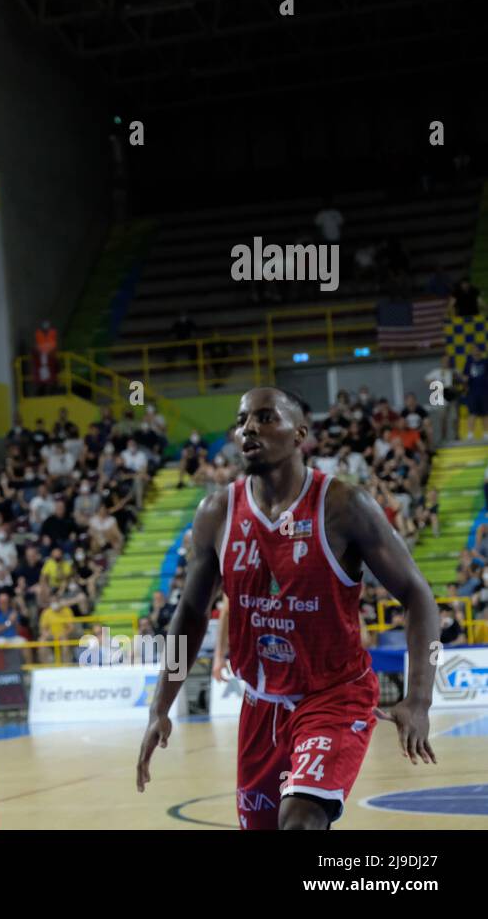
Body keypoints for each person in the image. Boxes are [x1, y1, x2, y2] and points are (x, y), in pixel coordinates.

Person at [137, 387, 439, 830]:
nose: (249, 429)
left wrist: (419, 699)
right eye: (242, 421)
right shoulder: (216, 512)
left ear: (300, 434)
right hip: (260, 706)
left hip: (334, 696)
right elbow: (190, 615)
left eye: (264, 418)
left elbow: (419, 597)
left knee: (299, 823)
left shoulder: (343, 506)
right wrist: (160, 705)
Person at [463, 346, 487, 440]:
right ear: (472, 353)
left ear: (480, 352)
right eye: (474, 351)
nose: (476, 352)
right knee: (472, 413)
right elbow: (465, 377)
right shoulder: (468, 363)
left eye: (477, 350)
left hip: (485, 392)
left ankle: (486, 433)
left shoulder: (485, 362)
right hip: (472, 392)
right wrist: (465, 387)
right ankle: (470, 434)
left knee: (485, 413)